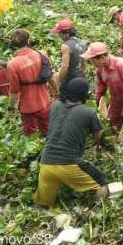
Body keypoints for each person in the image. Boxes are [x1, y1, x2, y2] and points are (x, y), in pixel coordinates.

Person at [33, 78, 112, 207]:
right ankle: (95, 212)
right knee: (103, 185)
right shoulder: (88, 112)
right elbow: (98, 135)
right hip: (69, 163)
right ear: (84, 94)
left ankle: (39, 213)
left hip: (46, 163)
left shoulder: (55, 105)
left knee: (42, 206)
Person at [82, 41, 123, 137]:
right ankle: (112, 143)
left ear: (102, 58)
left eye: (92, 61)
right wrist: (96, 103)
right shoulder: (100, 69)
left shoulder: (121, 65)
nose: (92, 64)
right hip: (116, 101)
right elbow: (101, 87)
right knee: (113, 126)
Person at [6, 29, 55, 137]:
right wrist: (57, 92)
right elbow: (50, 77)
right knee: (48, 132)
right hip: (44, 101)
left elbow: (14, 91)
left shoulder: (12, 64)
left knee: (31, 135)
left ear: (13, 45)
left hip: (27, 106)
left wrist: (10, 108)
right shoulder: (41, 54)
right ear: (28, 41)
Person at [51, 19, 87, 88]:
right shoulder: (83, 42)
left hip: (70, 79)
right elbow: (83, 62)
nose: (58, 35)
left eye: (59, 33)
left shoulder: (66, 46)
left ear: (65, 33)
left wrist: (58, 80)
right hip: (81, 77)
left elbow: (65, 66)